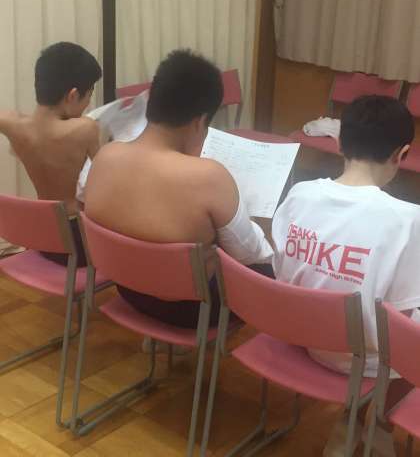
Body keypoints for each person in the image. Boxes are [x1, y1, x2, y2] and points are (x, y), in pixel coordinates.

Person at [272, 95, 420, 456]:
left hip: (303, 337)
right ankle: (377, 423)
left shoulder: (299, 194)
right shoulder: (408, 221)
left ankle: (354, 420)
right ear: (401, 154)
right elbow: (403, 322)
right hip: (368, 361)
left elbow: (280, 271)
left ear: (339, 143)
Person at [85, 49, 273, 330]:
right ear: (199, 121)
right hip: (193, 310)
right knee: (266, 268)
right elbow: (249, 255)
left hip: (129, 291)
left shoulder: (105, 156)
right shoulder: (208, 177)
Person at [0, 42, 102, 265]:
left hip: (43, 237)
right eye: (89, 94)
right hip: (78, 244)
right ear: (73, 95)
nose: (89, 103)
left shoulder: (12, 124)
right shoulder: (85, 128)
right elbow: (107, 179)